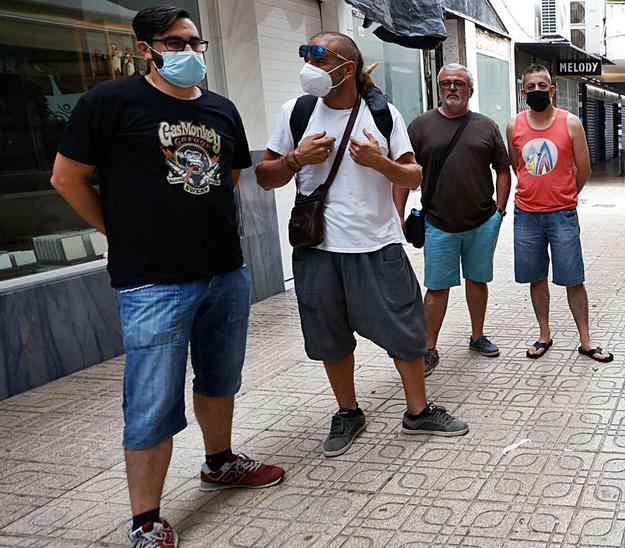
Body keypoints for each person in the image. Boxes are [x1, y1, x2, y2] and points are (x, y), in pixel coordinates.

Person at [49, 5, 285, 546]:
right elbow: (68, 178)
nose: (189, 52)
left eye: (195, 42)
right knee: (152, 398)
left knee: (221, 377)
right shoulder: (108, 102)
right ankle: (146, 520)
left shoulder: (222, 109)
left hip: (225, 272)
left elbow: (227, 178)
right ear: (145, 50)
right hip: (152, 282)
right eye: (175, 43)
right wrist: (120, 229)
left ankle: (219, 463)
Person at [255, 32, 468, 460]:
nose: (308, 66)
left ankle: (418, 410)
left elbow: (413, 177)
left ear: (346, 68)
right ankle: (348, 411)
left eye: (318, 57)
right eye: (305, 55)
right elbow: (265, 175)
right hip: (317, 248)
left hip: (377, 244)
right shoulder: (294, 112)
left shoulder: (382, 114)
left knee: (406, 332)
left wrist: (379, 163)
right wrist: (297, 160)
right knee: (329, 336)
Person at [403, 63, 512, 373]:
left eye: (459, 83)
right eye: (446, 83)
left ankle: (477, 336)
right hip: (438, 224)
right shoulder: (421, 126)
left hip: (481, 223)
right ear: (439, 88)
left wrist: (499, 212)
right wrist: (397, 215)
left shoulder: (486, 126)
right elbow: (404, 173)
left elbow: (503, 169)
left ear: (470, 90)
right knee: (436, 288)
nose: (452, 88)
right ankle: (428, 347)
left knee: (477, 282)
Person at [505, 65, 614, 364]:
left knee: (573, 278)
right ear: (523, 92)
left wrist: (567, 197)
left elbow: (585, 167)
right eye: (531, 86)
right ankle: (544, 334)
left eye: (543, 85)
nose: (537, 91)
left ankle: (586, 340)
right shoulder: (513, 126)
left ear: (552, 90)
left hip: (562, 215)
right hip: (526, 215)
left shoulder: (571, 123)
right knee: (536, 277)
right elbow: (519, 166)